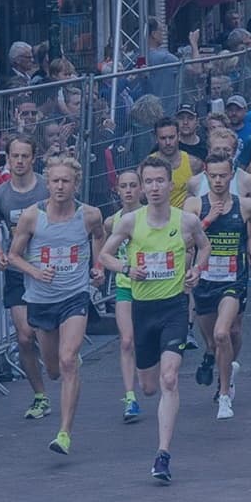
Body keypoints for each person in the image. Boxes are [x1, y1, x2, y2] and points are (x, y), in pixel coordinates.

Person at [98, 155, 212, 484]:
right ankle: (146, 394)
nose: (154, 187)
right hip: (143, 308)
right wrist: (126, 269)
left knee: (170, 378)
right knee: (148, 387)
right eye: (148, 182)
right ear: (143, 188)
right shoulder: (131, 222)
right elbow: (105, 255)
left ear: (170, 183)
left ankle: (162, 453)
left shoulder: (187, 221)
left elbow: (204, 248)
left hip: (174, 308)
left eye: (159, 180)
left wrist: (196, 270)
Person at [5, 156, 105, 455]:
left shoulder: (89, 215)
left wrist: (98, 267)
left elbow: (100, 237)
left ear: (76, 184)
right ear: (47, 184)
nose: (60, 186)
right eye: (55, 181)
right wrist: (35, 272)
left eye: (66, 181)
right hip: (41, 299)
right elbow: (13, 255)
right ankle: (65, 362)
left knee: (68, 359)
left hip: (74, 296)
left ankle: (64, 433)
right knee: (52, 370)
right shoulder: (31, 217)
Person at [0, 135, 51, 421]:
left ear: (33, 158)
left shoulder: (48, 189)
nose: (20, 161)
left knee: (45, 335)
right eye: (15, 156)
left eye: (25, 156)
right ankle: (40, 396)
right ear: (8, 158)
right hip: (16, 272)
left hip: (48, 271)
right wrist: (0, 253)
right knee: (24, 337)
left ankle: (59, 354)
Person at [191, 153, 251, 420]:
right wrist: (208, 220)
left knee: (225, 333)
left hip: (234, 279)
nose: (218, 181)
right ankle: (224, 366)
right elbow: (187, 238)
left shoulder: (244, 205)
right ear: (206, 176)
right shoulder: (195, 205)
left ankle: (223, 394)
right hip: (205, 280)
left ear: (231, 176)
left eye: (223, 176)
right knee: (211, 341)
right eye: (213, 176)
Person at [106, 170, 143, 423]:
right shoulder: (112, 222)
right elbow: (104, 251)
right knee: (127, 341)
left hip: (153, 287)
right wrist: (100, 270)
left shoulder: (151, 216)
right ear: (117, 190)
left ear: (141, 189)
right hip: (125, 286)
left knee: (148, 342)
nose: (128, 190)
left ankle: (156, 380)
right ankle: (130, 396)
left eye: (133, 185)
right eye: (123, 186)